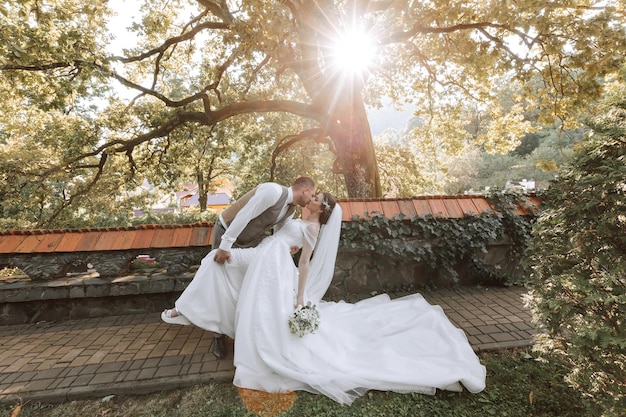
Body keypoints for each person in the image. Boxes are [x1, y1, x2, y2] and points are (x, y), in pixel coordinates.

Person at [167, 191, 487, 404]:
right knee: (216, 263)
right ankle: (190, 310)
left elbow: (304, 261)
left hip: (272, 265)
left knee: (222, 269)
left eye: (318, 199)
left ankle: (188, 311)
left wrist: (301, 296)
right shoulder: (294, 215)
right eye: (315, 195)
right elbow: (279, 234)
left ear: (322, 210)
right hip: (266, 258)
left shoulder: (312, 229)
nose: (314, 197)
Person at [161, 176, 316, 359]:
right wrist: (225, 245)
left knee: (242, 282)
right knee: (216, 272)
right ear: (305, 190)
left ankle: (234, 328)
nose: (312, 198)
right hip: (227, 232)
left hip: (249, 241)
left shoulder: (290, 210)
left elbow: (279, 232)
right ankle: (216, 336)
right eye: (312, 194)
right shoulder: (272, 191)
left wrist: (286, 246)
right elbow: (245, 214)